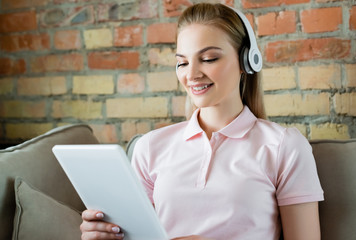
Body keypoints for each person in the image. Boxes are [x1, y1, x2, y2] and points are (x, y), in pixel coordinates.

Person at [80, 3, 324, 240]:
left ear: (247, 61)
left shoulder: (284, 146)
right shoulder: (150, 146)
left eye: (208, 59)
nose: (191, 74)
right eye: (183, 62)